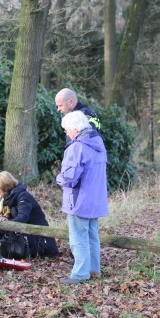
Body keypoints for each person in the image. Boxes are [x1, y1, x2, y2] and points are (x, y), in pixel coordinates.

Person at [56, 110, 109, 285]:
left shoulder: (76, 147)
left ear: (74, 128)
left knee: (78, 238)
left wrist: (58, 178)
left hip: (79, 201)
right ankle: (94, 270)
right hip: (96, 200)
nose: (67, 133)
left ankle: (80, 274)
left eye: (66, 130)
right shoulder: (98, 143)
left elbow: (70, 178)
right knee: (93, 237)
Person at [0, 171, 59, 258]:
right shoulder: (8, 199)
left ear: (5, 188)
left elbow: (22, 218)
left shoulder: (23, 197)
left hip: (40, 241)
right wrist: (3, 218)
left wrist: (6, 221)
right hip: (25, 237)